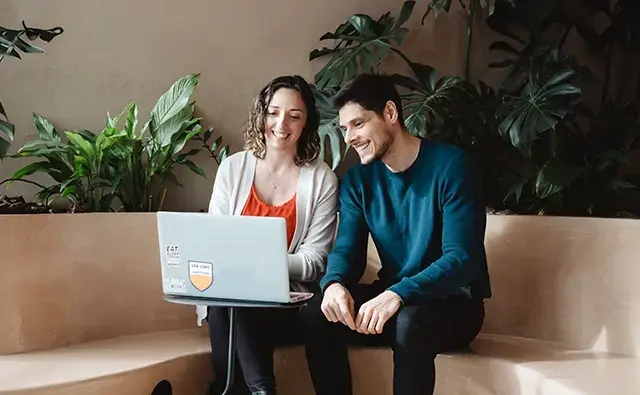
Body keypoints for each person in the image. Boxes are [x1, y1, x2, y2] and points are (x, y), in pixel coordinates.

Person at [300, 73, 492, 395]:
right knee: (317, 314)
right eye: (344, 128)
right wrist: (333, 285)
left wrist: (397, 293)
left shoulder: (453, 167)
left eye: (358, 124)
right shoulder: (358, 182)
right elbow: (347, 251)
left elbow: (461, 259)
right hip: (393, 301)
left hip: (454, 305)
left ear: (390, 114)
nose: (349, 138)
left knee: (409, 323)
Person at [199, 75, 339, 395]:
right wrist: (248, 270)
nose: (281, 123)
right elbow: (214, 246)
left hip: (289, 306)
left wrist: (256, 264)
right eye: (273, 112)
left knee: (233, 301)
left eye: (294, 115)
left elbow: (314, 262)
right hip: (234, 304)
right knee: (228, 300)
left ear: (307, 124)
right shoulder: (233, 170)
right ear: (261, 115)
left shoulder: (321, 180)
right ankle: (263, 390)